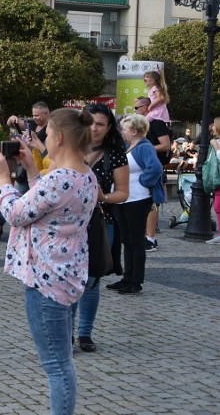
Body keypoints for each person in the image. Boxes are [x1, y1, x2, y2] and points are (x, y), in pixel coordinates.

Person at [0, 109, 98, 415]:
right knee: (62, 361)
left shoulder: (61, 179)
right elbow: (48, 203)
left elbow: (16, 214)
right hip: (67, 274)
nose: (44, 140)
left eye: (47, 135)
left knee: (57, 365)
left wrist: (3, 179)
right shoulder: (85, 175)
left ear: (60, 137)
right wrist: (31, 170)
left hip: (45, 280)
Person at [72, 103, 130, 353]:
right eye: (91, 122)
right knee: (69, 278)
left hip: (99, 221)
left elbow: (123, 193)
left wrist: (103, 197)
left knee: (91, 280)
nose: (94, 128)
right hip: (69, 222)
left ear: (108, 129)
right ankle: (66, 332)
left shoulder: (115, 153)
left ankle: (85, 333)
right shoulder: (70, 148)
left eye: (101, 124)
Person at [107, 114, 164, 295]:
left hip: (137, 199)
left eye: (124, 128)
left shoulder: (144, 147)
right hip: (125, 199)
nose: (122, 131)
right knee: (127, 240)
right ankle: (127, 277)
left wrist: (143, 182)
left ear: (134, 130)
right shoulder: (130, 146)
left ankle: (135, 281)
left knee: (135, 241)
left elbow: (155, 168)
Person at [132, 97, 171, 252]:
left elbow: (166, 145)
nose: (135, 111)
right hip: (143, 166)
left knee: (151, 202)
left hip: (153, 166)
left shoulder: (157, 123)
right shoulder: (144, 126)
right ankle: (144, 235)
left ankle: (150, 238)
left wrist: (144, 149)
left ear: (146, 107)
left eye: (137, 108)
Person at [208, 116, 220, 245]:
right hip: (217, 180)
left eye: (214, 125)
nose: (212, 127)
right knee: (217, 207)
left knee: (218, 206)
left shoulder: (216, 143)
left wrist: (216, 146)